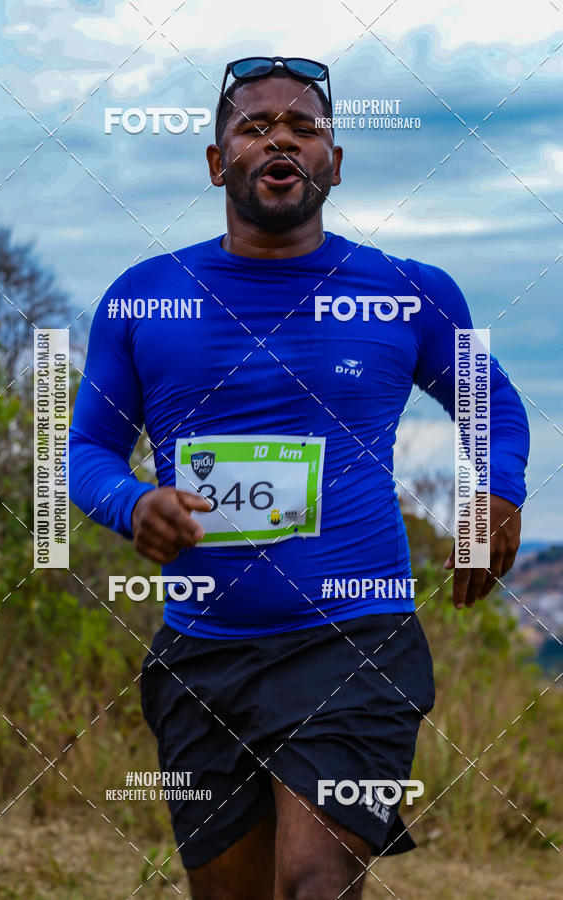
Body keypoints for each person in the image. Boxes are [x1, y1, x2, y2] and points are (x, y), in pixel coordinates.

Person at [69, 57, 530, 899]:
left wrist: (497, 491)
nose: (280, 137)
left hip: (356, 641)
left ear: (334, 162)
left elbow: (490, 404)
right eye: (254, 126)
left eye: (304, 126)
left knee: (318, 883)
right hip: (203, 655)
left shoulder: (408, 294)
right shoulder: (142, 298)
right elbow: (85, 452)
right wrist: (132, 503)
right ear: (218, 163)